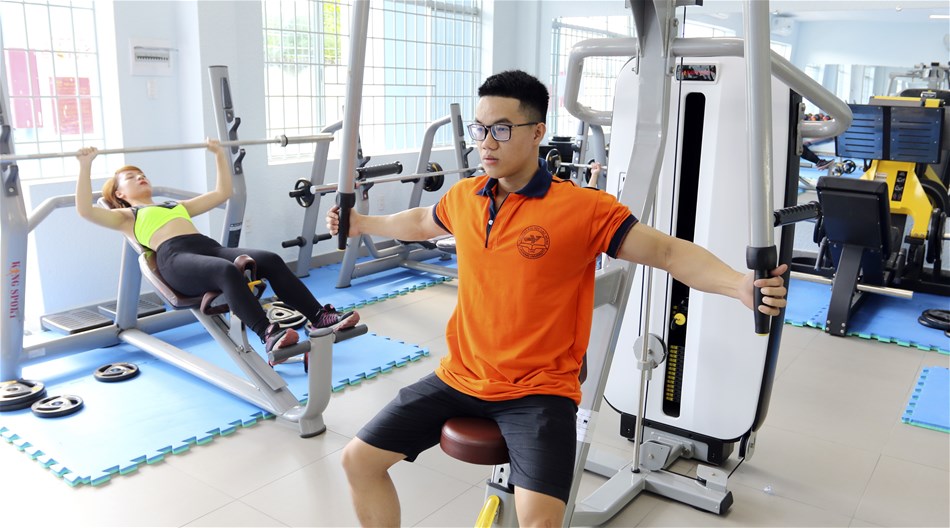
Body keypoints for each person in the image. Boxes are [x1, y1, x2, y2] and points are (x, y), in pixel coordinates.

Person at [328, 70, 788, 527]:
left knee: (541, 523)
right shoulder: (466, 196)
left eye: (501, 129)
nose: (486, 143)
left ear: (537, 132)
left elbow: (667, 252)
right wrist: (362, 224)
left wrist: (737, 284)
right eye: (480, 129)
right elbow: (420, 221)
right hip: (460, 376)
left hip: (538, 391)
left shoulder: (583, 208)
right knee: (357, 461)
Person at [75, 140, 359, 356]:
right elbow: (86, 211)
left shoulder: (175, 206)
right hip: (175, 258)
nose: (140, 177)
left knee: (270, 259)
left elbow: (222, 193)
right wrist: (85, 165)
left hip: (207, 248)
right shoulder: (127, 216)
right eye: (131, 177)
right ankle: (268, 334)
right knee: (226, 270)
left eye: (142, 174)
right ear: (120, 194)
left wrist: (219, 154)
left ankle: (319, 317)